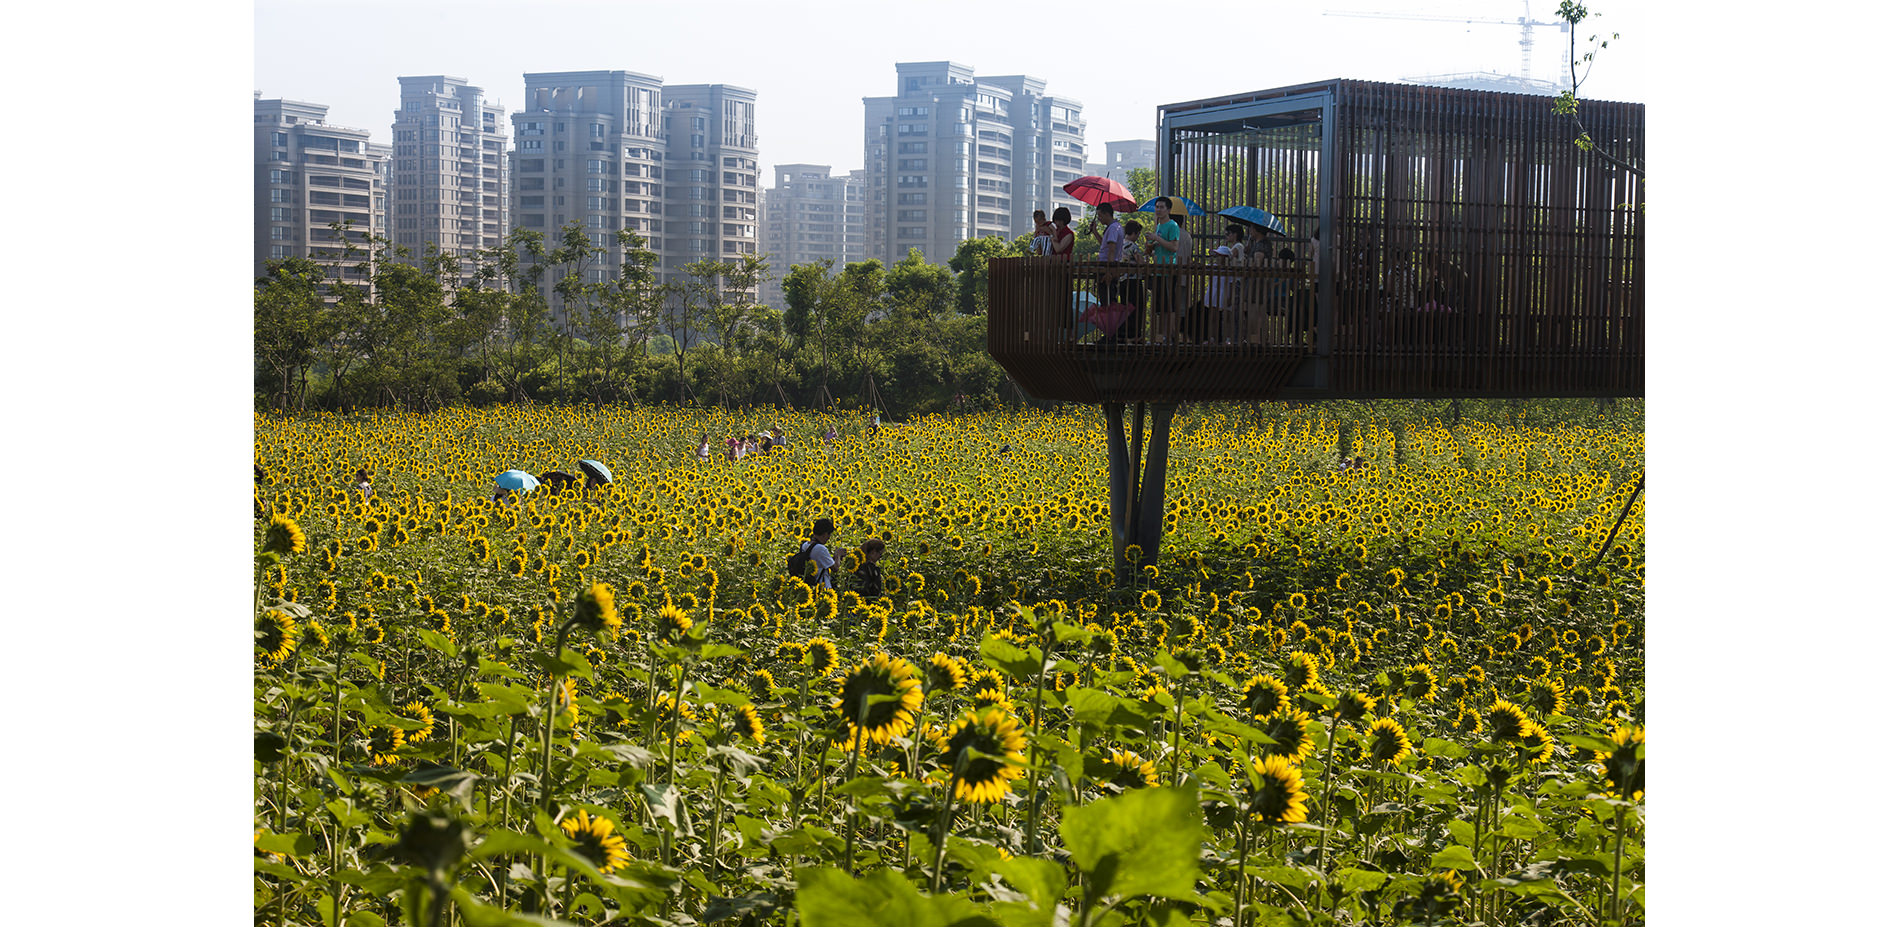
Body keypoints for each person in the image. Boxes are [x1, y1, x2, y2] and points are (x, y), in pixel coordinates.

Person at [1143, 197, 1186, 343]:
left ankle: (1171, 334)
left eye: (1161, 207)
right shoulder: (1159, 226)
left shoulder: (1172, 225)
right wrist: (1151, 245)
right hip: (1159, 269)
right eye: (1157, 207)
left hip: (1169, 268)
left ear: (1168, 210)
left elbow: (1174, 247)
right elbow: (1161, 245)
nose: (1158, 210)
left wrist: (1156, 238)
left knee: (1169, 305)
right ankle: (1162, 336)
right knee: (1160, 306)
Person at [792, 517, 838, 589]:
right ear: (824, 534)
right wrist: (838, 555)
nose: (829, 537)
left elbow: (820, 561)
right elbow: (835, 568)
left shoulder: (805, 545)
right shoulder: (821, 549)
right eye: (829, 534)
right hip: (821, 587)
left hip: (809, 585)